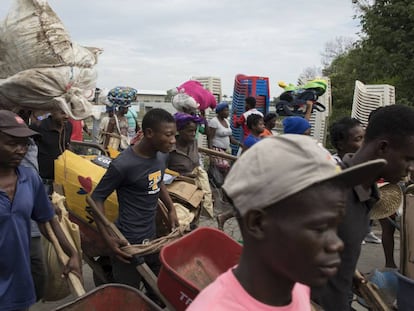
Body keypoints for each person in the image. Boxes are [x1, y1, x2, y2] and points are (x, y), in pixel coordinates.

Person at [187, 135, 385, 310]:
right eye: (319, 228)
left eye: (335, 225)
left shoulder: (295, 286)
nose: (337, 243)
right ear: (257, 223)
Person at [313, 104, 414, 311]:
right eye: (408, 158)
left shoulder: (367, 194)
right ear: (383, 148)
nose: (411, 168)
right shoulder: (328, 191)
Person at [91, 108, 179, 297]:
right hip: (127, 243)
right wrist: (108, 238)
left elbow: (158, 180)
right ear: (149, 133)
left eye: (174, 135)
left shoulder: (162, 155)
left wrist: (171, 209)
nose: (173, 140)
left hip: (152, 239)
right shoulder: (123, 165)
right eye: (168, 135)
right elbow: (95, 198)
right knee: (129, 296)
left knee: (160, 293)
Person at [0, 110, 81, 311]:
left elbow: (47, 219)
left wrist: (71, 253)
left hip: (18, 283)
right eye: (12, 143)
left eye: (24, 143)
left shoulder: (29, 178)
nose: (21, 150)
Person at [329, 116, 382, 245]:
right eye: (358, 139)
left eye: (365, 138)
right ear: (340, 144)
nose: (364, 143)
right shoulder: (332, 170)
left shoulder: (361, 170)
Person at [168, 112, 214, 218]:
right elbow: (163, 174)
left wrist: (207, 191)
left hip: (195, 192)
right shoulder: (169, 149)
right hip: (178, 194)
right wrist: (182, 177)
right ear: (179, 130)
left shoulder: (194, 143)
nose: (193, 134)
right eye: (190, 131)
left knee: (194, 220)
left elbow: (197, 166)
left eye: (195, 130)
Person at [30, 109, 72, 194]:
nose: (67, 116)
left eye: (69, 113)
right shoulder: (38, 127)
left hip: (60, 180)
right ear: (53, 112)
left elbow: (67, 145)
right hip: (43, 181)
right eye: (63, 113)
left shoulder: (68, 126)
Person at [208, 102, 242, 179]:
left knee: (226, 171)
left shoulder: (226, 121)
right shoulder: (214, 121)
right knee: (223, 169)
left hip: (226, 151)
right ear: (220, 112)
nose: (228, 112)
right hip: (217, 150)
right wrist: (211, 155)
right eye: (226, 110)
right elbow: (210, 138)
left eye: (228, 110)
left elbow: (231, 138)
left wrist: (240, 144)